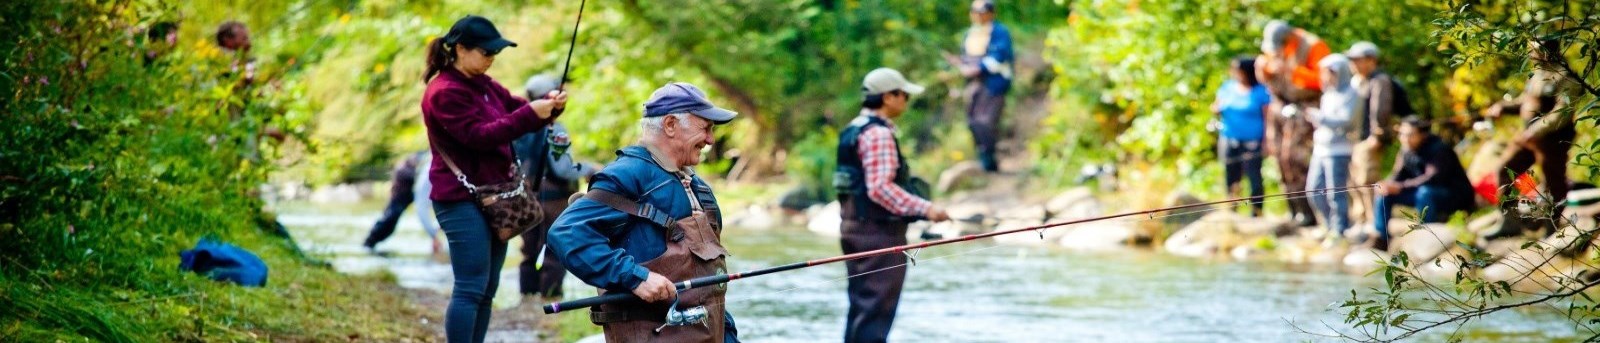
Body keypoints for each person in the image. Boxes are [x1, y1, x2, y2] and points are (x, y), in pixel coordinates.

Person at [547, 82, 739, 342]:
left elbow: (711, 282)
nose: (710, 140)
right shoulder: (627, 175)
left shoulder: (698, 186)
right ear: (670, 125)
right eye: (705, 128)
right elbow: (567, 233)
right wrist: (636, 278)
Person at [420, 15, 566, 343]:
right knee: (470, 287)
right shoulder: (444, 92)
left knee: (487, 289)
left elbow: (517, 111)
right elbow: (480, 136)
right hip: (459, 200)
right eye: (486, 52)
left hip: (496, 198)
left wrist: (549, 107)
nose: (491, 59)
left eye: (494, 53)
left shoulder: (484, 84)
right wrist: (532, 113)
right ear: (460, 49)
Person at [834, 68, 953, 343]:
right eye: (904, 95)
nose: (906, 101)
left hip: (855, 231)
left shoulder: (852, 129)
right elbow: (881, 188)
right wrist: (927, 209)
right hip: (878, 236)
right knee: (875, 313)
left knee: (862, 310)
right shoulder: (878, 134)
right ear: (888, 97)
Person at [1484, 38, 1581, 239]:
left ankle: (1551, 229)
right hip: (1529, 137)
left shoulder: (1566, 77)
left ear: (1547, 52)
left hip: (1553, 140)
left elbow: (1562, 112)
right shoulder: (1537, 74)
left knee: (1554, 183)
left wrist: (1534, 131)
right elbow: (1526, 102)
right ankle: (1510, 222)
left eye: (1535, 51)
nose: (1531, 54)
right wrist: (1502, 107)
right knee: (1505, 170)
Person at [515, 74, 601, 298]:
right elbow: (564, 169)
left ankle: (527, 300)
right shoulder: (556, 129)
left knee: (528, 252)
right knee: (554, 252)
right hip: (553, 200)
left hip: (524, 198)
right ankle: (550, 302)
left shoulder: (519, 126)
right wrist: (590, 169)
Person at [1257, 20, 1331, 227]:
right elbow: (1266, 68)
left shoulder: (1314, 46)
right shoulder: (1274, 45)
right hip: (1280, 107)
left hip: (1305, 108)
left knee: (1296, 158)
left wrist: (1293, 71)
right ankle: (1293, 210)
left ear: (1289, 38)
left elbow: (1323, 80)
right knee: (1280, 158)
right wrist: (1266, 68)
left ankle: (1310, 213)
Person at [1373, 116, 1475, 251]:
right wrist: (1387, 185)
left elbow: (1432, 178)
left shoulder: (1439, 149)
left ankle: (1425, 235)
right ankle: (1381, 238)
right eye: (1402, 134)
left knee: (1425, 192)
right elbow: (1398, 176)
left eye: (1410, 135)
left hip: (1453, 196)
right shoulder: (1406, 150)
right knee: (1385, 194)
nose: (1404, 139)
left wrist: (1400, 187)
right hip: (1422, 193)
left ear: (1422, 134)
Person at [1346, 41, 1416, 225]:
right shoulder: (1364, 80)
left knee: (1367, 180)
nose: (1353, 64)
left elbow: (1381, 110)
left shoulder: (1380, 80)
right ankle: (1362, 220)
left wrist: (1377, 135)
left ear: (1371, 60)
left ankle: (1375, 223)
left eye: (1358, 60)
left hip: (1371, 139)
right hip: (1360, 138)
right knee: (1355, 181)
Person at [942, 0, 1013, 172]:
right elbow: (967, 56)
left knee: (986, 121)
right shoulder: (970, 33)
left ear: (991, 13)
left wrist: (977, 68)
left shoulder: (999, 32)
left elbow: (1000, 56)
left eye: (981, 12)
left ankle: (990, 158)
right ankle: (984, 158)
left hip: (993, 83)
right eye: (974, 11)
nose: (977, 15)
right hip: (973, 84)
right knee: (972, 121)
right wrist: (958, 63)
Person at [1306, 54, 1356, 242]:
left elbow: (1347, 121)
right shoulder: (1328, 94)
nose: (1324, 77)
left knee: (1336, 193)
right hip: (1320, 149)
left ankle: (1340, 229)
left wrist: (1320, 118)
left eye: (1328, 73)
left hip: (1339, 150)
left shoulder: (1352, 92)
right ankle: (1328, 225)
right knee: (1313, 189)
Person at [1211, 57, 1270, 216]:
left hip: (1253, 141)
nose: (1235, 74)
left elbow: (1267, 117)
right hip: (1229, 138)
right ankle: (1232, 211)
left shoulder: (1260, 91)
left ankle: (1256, 212)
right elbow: (1216, 106)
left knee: (1254, 177)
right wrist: (1216, 109)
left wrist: (1267, 141)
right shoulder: (1227, 87)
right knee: (1231, 176)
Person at [360, 151, 445, 255]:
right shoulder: (405, 170)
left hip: (403, 200)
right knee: (387, 222)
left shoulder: (411, 169)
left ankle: (368, 244)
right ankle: (367, 244)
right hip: (399, 200)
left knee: (388, 224)